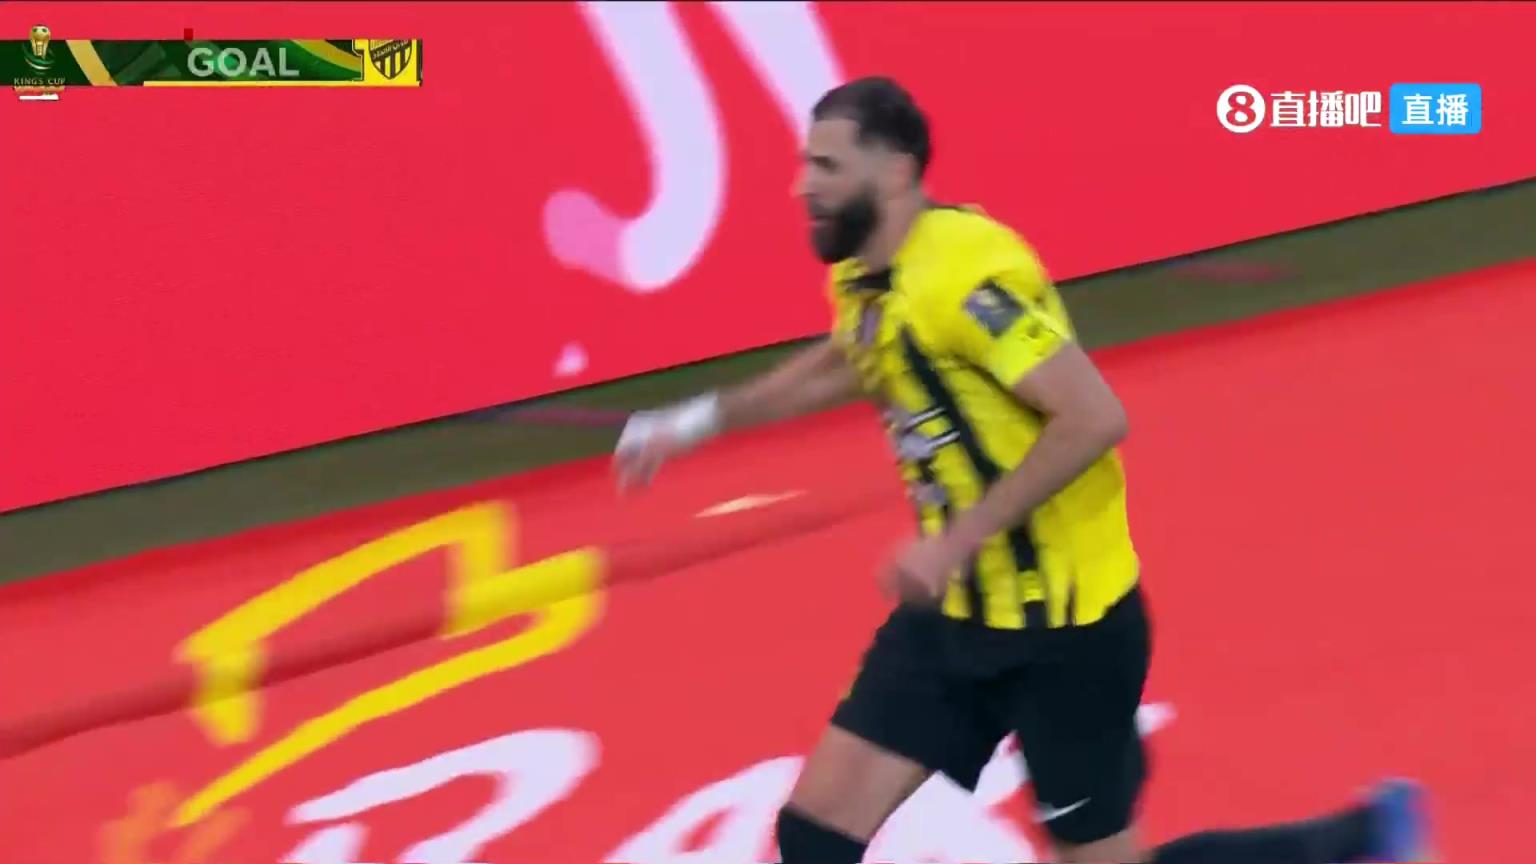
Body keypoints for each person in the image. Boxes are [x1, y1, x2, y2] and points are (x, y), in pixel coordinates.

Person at [613, 76, 1433, 864]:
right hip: (956, 618)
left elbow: (1093, 416)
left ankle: (1361, 836)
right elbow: (851, 357)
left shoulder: (968, 279)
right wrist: (695, 421)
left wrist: (954, 541)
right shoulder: (865, 272)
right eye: (805, 164)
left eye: (826, 166)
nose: (802, 185)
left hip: (1065, 632)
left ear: (894, 171)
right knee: (816, 835)